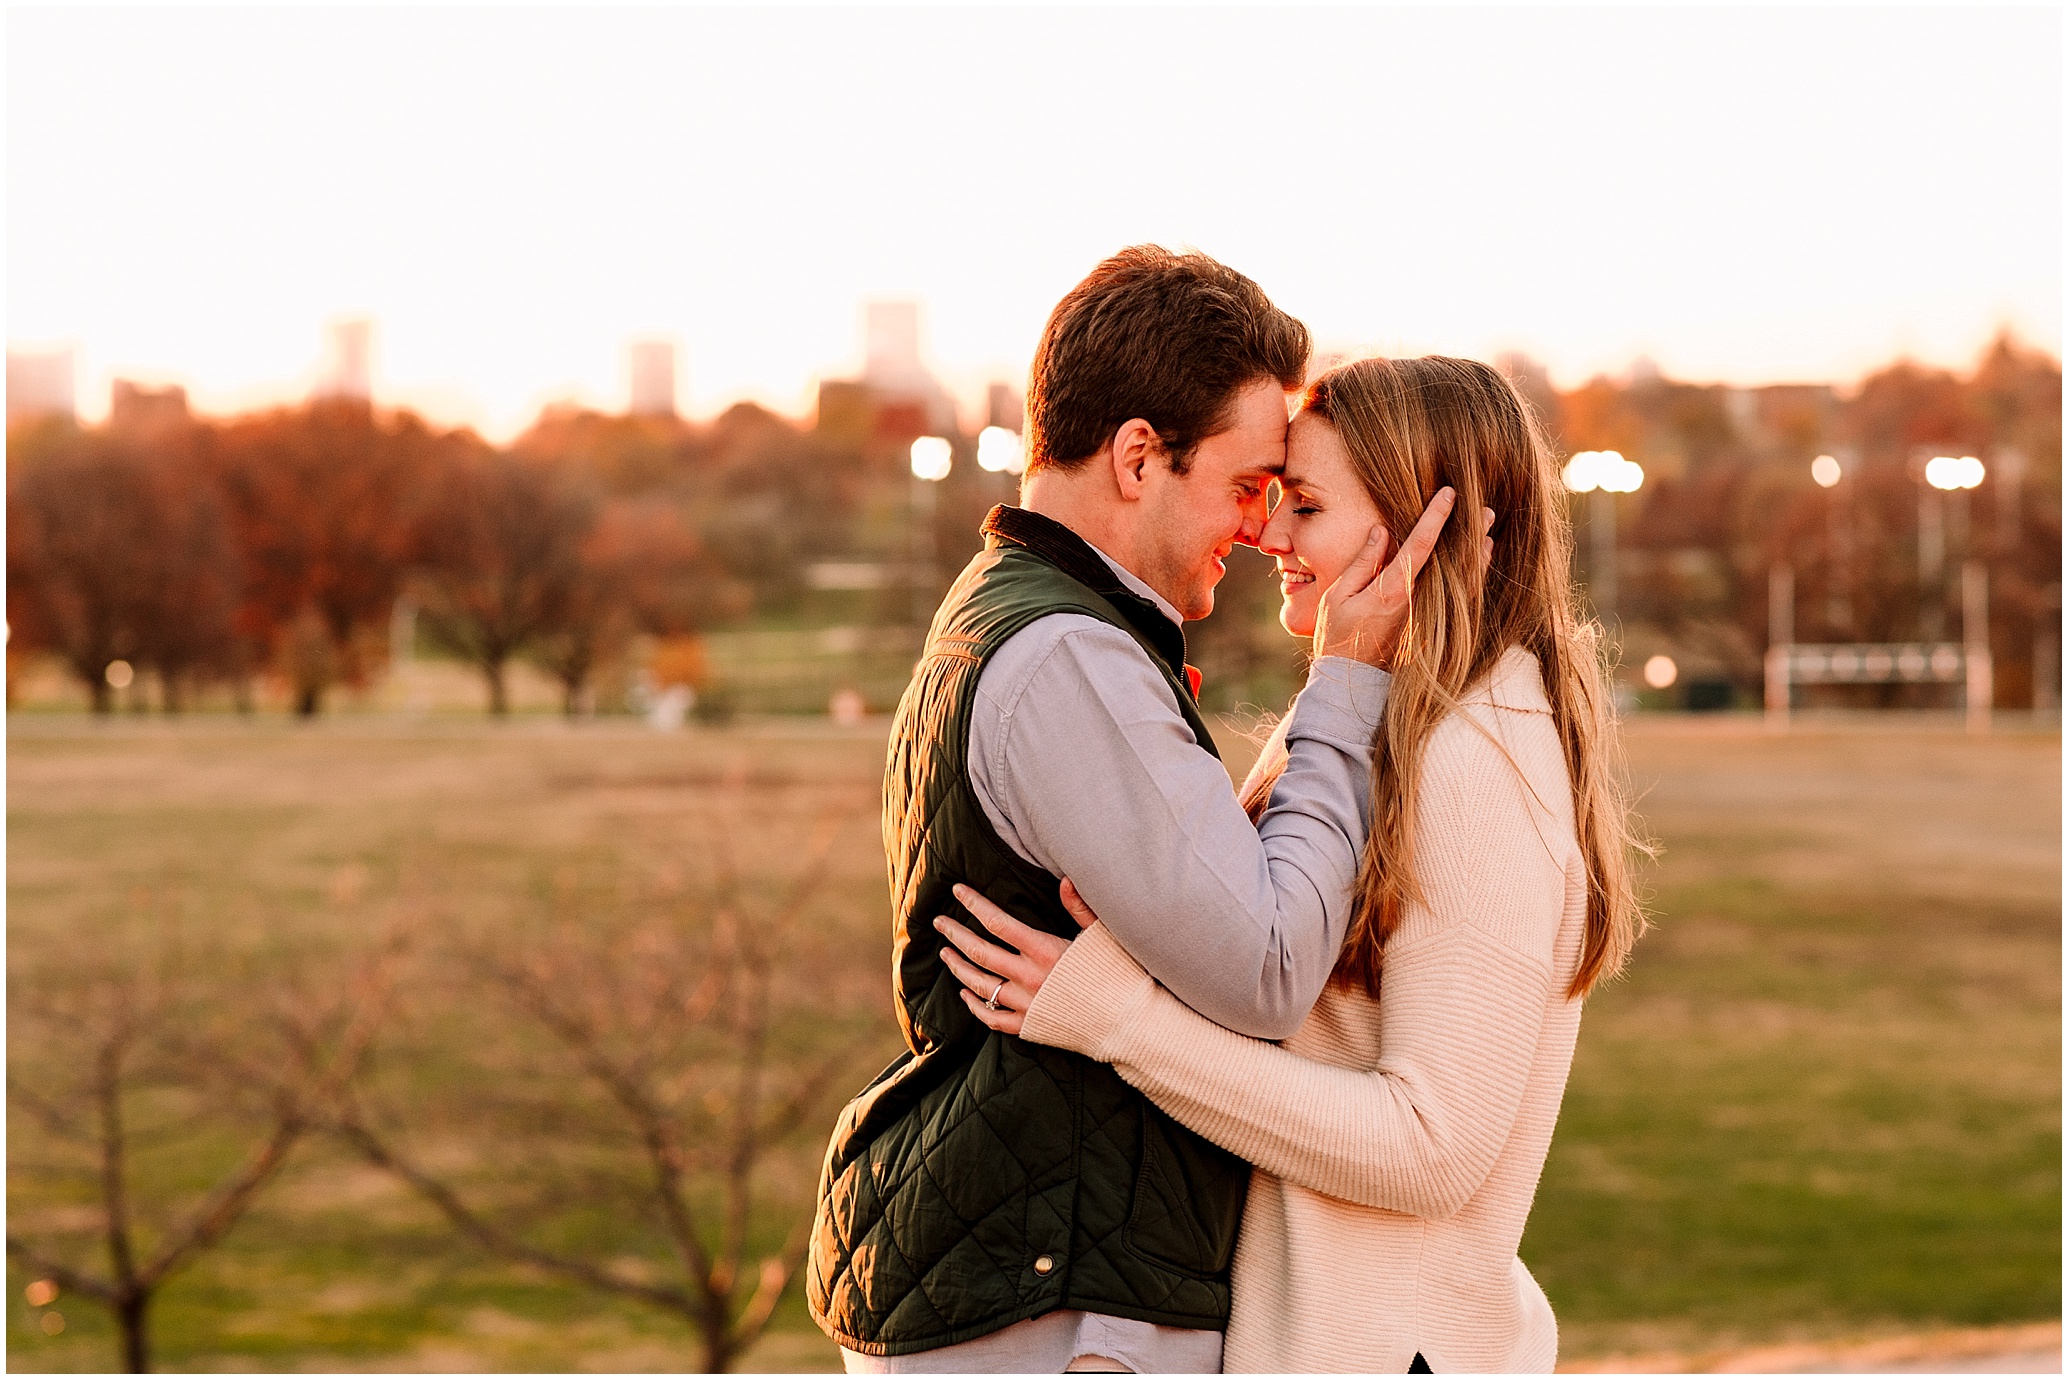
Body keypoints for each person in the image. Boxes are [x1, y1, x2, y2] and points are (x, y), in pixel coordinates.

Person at [806, 249, 1460, 1373]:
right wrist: (1348, 683)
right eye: (1247, 483)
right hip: (1062, 1315)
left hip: (1044, 1284)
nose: (1261, 529)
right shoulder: (1069, 657)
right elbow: (1263, 967)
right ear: (1139, 457)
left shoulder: (1019, 616)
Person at [936, 355, 1649, 1373]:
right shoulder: (1382, 713)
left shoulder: (1478, 750)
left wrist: (1120, 1022)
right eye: (1272, 497)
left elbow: (1430, 1146)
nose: (1268, 532)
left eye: (1304, 505)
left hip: (1387, 1352)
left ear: (1420, 532)